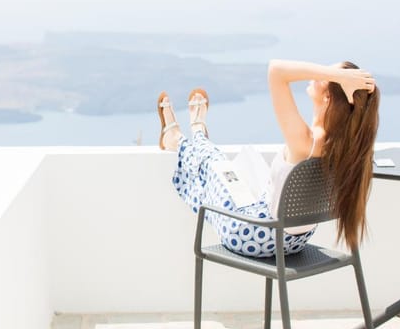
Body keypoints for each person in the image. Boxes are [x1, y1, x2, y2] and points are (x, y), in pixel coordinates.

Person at [157, 60, 379, 257]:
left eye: (325, 76)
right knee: (236, 172)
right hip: (295, 242)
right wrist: (336, 78)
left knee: (213, 163)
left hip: (252, 235)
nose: (317, 74)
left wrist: (338, 76)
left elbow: (276, 71)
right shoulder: (345, 145)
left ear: (328, 96)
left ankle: (183, 137)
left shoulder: (306, 141)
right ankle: (191, 134)